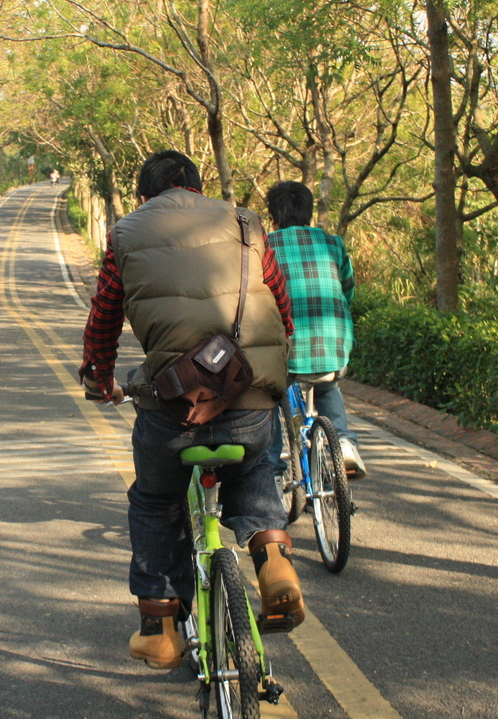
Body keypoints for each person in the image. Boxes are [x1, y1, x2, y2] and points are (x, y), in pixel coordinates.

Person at [79, 151, 305, 672]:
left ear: (143, 196)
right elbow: (279, 300)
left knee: (156, 501)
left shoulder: (125, 234)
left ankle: (159, 626)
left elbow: (105, 319)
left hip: (173, 406)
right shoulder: (245, 222)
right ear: (200, 189)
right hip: (247, 388)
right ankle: (273, 558)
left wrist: (100, 378)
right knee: (252, 469)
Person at [264, 181, 365, 477]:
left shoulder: (265, 246)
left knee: (267, 396)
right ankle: (344, 444)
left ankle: (270, 466)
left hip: (284, 351)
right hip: (333, 345)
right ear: (309, 213)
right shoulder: (333, 243)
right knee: (327, 386)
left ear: (273, 216)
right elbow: (348, 291)